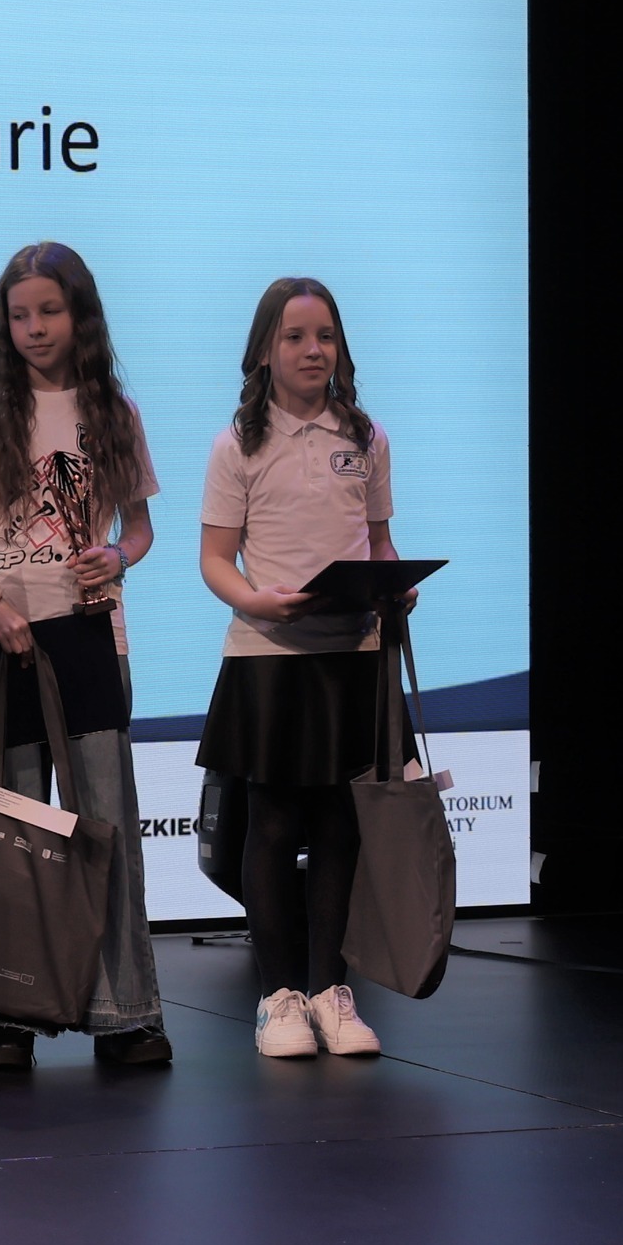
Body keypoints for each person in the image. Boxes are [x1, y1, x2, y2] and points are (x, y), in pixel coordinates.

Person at [0, 241, 171, 1070]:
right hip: (1, 634)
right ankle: (11, 1013)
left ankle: (125, 1011)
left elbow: (139, 526)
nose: (34, 328)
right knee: (8, 826)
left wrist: (120, 554)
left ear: (81, 316)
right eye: (19, 314)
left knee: (105, 824)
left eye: (49, 311)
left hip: (89, 634)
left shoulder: (115, 410)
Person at [197, 277, 405, 1060]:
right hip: (269, 657)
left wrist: (394, 582)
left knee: (341, 825)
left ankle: (330, 992)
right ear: (263, 351)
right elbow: (216, 559)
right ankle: (278, 997)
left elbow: (379, 541)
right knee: (274, 824)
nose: (313, 350)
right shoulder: (236, 445)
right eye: (294, 336)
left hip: (351, 656)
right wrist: (257, 599)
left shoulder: (368, 436)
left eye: (325, 336)